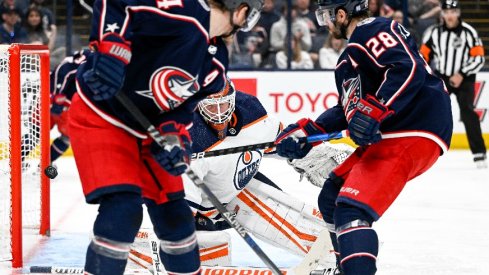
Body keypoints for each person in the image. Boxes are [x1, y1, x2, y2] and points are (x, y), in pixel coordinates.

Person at [69, 0, 264, 274]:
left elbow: (181, 108)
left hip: (147, 130)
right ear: (242, 11)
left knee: (176, 219)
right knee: (123, 211)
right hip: (105, 117)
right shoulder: (181, 8)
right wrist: (112, 51)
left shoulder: (217, 61)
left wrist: (174, 139)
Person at [275, 0, 453, 274]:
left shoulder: (373, 29)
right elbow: (347, 111)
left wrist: (373, 110)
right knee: (331, 198)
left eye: (326, 16)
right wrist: (307, 133)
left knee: (351, 211)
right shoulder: (348, 60)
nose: (326, 24)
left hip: (413, 127)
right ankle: (344, 268)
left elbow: (406, 69)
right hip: (394, 133)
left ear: (342, 14)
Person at [421, 0, 487, 168]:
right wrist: (426, 75)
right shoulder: (433, 32)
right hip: (443, 75)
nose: (450, 15)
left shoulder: (469, 32)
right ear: (442, 14)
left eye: (453, 12)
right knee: (432, 109)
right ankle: (423, 149)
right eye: (446, 12)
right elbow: (422, 57)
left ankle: (479, 153)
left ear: (458, 13)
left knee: (468, 112)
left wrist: (462, 74)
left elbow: (479, 58)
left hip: (465, 77)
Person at [48, 50, 90, 164]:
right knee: (66, 138)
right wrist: (57, 97)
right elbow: (66, 71)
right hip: (65, 105)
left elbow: (64, 70)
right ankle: (43, 165)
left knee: (35, 132)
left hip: (54, 100)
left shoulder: (75, 58)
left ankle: (17, 161)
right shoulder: (90, 58)